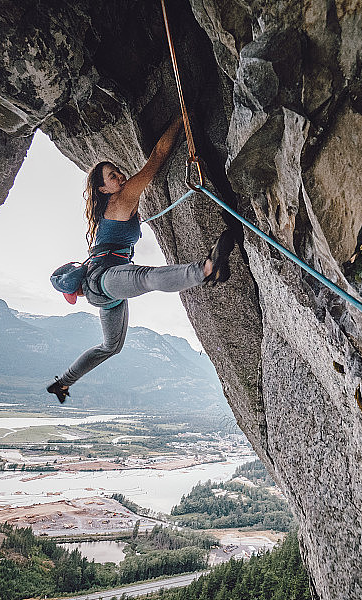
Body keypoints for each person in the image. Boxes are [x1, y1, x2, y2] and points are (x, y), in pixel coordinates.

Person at [46, 115, 235, 403]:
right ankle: (206, 270)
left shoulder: (108, 208)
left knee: (111, 346)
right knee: (145, 278)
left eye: (118, 172)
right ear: (104, 189)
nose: (120, 177)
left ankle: (63, 383)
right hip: (104, 280)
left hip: (104, 291)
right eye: (113, 177)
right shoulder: (122, 198)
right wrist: (180, 120)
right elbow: (157, 158)